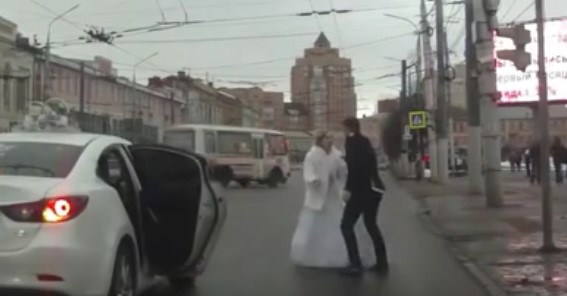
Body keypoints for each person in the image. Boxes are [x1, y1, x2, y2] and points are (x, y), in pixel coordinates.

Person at [290, 131, 375, 268]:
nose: (330, 141)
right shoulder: (313, 155)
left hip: (333, 194)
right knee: (313, 224)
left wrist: (345, 169)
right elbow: (308, 171)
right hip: (317, 195)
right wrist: (313, 180)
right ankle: (312, 254)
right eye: (327, 138)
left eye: (331, 138)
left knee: (336, 223)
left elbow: (342, 171)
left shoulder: (336, 155)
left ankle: (339, 255)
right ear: (320, 140)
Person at [340, 117, 388, 276]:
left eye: (344, 128)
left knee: (346, 225)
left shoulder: (352, 142)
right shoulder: (365, 141)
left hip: (361, 191)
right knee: (371, 225)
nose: (343, 132)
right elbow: (370, 165)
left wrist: (348, 189)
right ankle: (382, 263)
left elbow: (355, 168)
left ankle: (355, 264)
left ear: (349, 128)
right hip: (375, 189)